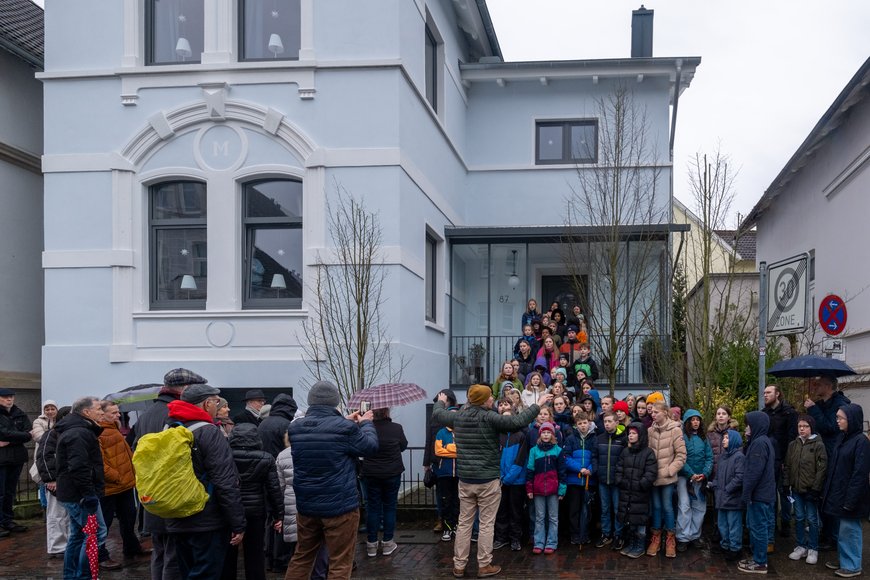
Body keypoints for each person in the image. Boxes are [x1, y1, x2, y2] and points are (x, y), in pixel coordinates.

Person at [432, 384, 550, 578]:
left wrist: (441, 402)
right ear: (483, 400)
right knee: (486, 524)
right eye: (489, 398)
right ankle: (484, 565)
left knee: (464, 523)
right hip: (487, 480)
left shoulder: (458, 417)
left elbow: (438, 415)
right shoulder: (490, 417)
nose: (492, 400)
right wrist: (538, 404)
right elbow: (518, 421)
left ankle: (459, 565)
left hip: (466, 479)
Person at [285, 381, 379, 580]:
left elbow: (321, 432)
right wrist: (367, 423)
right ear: (335, 402)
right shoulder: (345, 429)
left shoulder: (296, 428)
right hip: (340, 507)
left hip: (307, 506)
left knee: (302, 557)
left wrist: (345, 421)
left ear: (311, 402)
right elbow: (370, 447)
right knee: (339, 562)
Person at [162, 384, 246, 578]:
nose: (218, 406)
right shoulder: (209, 431)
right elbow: (225, 480)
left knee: (187, 572)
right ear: (207, 403)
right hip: (207, 519)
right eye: (216, 401)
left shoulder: (170, 427)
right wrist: (237, 523)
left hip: (177, 514)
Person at [132, 367, 208, 580]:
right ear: (185, 389)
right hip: (173, 494)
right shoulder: (176, 412)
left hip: (152, 493)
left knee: (159, 552)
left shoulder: (147, 414)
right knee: (174, 555)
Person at [221, 423, 283, 580]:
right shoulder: (266, 458)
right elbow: (273, 489)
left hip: (230, 509)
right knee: (255, 553)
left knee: (228, 553)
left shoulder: (224, 456)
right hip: (256, 511)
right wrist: (278, 515)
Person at [55, 396, 108, 579]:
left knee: (78, 535)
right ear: (86, 412)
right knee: (96, 534)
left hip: (74, 493)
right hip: (80, 495)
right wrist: (89, 494)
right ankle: (83, 576)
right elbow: (79, 467)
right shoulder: (79, 432)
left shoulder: (80, 429)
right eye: (99, 408)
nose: (102, 412)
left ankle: (72, 575)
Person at [821, 403, 869, 578]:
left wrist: (850, 500)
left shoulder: (861, 442)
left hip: (851, 497)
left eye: (841, 418)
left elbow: (859, 475)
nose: (837, 421)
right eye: (837, 418)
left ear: (852, 419)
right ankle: (844, 560)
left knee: (850, 530)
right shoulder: (843, 438)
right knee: (842, 531)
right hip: (839, 494)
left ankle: (852, 566)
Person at [98, 400, 145, 567]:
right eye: (113, 412)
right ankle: (101, 555)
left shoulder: (114, 428)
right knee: (105, 521)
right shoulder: (99, 432)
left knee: (129, 516)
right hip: (111, 486)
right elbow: (100, 463)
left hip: (124, 484)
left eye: (117, 411)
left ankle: (131, 547)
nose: (118, 415)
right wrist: (117, 476)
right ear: (102, 414)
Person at [361, 408, 408, 557]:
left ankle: (371, 545)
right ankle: (388, 543)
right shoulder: (396, 428)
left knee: (372, 507)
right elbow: (403, 446)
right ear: (387, 413)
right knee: (389, 507)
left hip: (370, 473)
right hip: (392, 472)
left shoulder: (366, 428)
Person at [783, 414, 826, 566]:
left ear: (811, 428)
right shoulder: (793, 445)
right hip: (796, 489)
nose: (802, 429)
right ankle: (801, 545)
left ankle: (813, 548)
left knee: (812, 519)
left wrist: (816, 488)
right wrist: (786, 483)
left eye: (805, 426)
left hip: (811, 490)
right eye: (800, 426)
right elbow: (787, 466)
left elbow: (822, 468)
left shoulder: (818, 445)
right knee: (799, 517)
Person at [646, 401, 687, 558]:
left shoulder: (675, 430)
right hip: (653, 477)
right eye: (652, 412)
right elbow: (648, 453)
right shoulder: (650, 430)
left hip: (668, 477)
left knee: (668, 507)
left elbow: (681, 455)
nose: (653, 414)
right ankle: (655, 538)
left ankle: (670, 539)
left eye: (656, 412)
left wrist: (670, 470)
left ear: (665, 412)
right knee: (655, 507)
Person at [738, 411, 776, 575]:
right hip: (763, 494)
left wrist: (746, 494)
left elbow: (754, 473)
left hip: (759, 495)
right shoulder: (762, 441)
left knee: (758, 528)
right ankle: (757, 558)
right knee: (758, 527)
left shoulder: (759, 444)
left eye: (749, 425)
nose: (746, 428)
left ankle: (760, 562)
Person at [615, 422, 657, 559]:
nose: (630, 436)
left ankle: (640, 545)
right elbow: (619, 468)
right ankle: (632, 543)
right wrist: (620, 481)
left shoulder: (648, 453)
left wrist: (641, 484)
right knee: (629, 519)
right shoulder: (625, 452)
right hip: (626, 491)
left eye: (634, 434)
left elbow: (651, 472)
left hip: (640, 493)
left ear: (641, 436)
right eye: (629, 434)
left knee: (640, 520)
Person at [35, 405, 72, 557]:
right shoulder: (52, 434)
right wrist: (51, 479)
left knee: (66, 514)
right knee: (56, 514)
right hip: (56, 480)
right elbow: (44, 457)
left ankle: (66, 544)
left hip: (66, 480)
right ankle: (57, 547)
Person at [762, 384, 798, 538]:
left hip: (783, 458)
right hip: (769, 459)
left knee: (784, 492)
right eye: (764, 393)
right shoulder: (764, 413)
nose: (765, 395)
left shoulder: (789, 413)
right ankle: (773, 524)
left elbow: (792, 437)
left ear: (777, 394)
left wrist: (787, 459)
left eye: (768, 392)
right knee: (771, 493)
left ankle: (786, 524)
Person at [526, 421, 566, 554]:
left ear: (553, 435)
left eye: (549, 432)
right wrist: (529, 488)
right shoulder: (534, 451)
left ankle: (551, 542)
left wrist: (562, 489)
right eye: (544, 432)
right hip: (537, 489)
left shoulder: (558, 451)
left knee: (553, 517)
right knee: (539, 517)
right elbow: (530, 471)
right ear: (540, 435)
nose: (546, 435)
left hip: (553, 490)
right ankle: (539, 542)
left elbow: (562, 472)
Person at [675, 409, 712, 552]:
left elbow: (709, 457)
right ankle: (683, 537)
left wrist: (705, 473)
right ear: (687, 422)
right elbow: (680, 457)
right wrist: (690, 473)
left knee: (699, 507)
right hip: (684, 478)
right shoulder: (682, 438)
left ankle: (695, 535)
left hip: (700, 478)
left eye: (698, 419)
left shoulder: (704, 438)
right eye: (693, 419)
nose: (695, 422)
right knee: (684, 506)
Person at [494, 405, 529, 552]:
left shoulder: (521, 436)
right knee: (501, 511)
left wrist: (507, 478)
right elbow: (495, 457)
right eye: (504, 417)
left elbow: (520, 461)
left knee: (516, 511)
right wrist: (500, 477)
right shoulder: (497, 436)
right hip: (500, 480)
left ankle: (515, 539)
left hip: (516, 481)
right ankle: (501, 538)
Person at [424, 389, 458, 533]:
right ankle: (441, 519)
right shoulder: (435, 418)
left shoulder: (455, 415)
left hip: (455, 464)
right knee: (441, 494)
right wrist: (426, 462)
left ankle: (454, 523)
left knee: (456, 495)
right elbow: (429, 439)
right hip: (438, 462)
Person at [0, 387, 33, 537]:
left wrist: (9, 440)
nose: (9, 399)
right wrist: (19, 436)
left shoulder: (19, 413)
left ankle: (8, 520)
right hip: (1, 458)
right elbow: (3, 433)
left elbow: (29, 433)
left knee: (10, 492)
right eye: (6, 397)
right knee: (0, 492)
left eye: (11, 397)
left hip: (16, 457)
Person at [709, 429, 745, 561]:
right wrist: (714, 485)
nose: (723, 440)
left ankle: (735, 548)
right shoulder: (723, 457)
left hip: (733, 498)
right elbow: (718, 476)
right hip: (721, 497)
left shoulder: (739, 457)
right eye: (723, 438)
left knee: (733, 525)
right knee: (722, 524)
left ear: (734, 440)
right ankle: (725, 545)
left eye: (726, 438)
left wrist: (727, 489)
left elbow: (740, 477)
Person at [563, 411, 597, 548]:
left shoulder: (594, 439)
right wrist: (580, 469)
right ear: (576, 426)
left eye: (585, 423)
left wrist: (589, 469)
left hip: (589, 480)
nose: (583, 426)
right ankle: (575, 534)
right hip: (574, 481)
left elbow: (596, 457)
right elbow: (566, 458)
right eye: (580, 424)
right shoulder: (571, 439)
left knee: (588, 509)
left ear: (589, 423)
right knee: (574, 509)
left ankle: (586, 533)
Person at [596, 410, 627, 550]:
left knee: (617, 508)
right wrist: (597, 469)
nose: (607, 424)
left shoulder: (623, 438)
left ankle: (618, 535)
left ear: (617, 422)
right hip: (603, 479)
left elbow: (625, 459)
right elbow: (594, 456)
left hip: (617, 481)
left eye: (610, 421)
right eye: (605, 422)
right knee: (604, 508)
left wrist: (621, 476)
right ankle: (606, 534)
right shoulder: (600, 438)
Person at [434, 405, 459, 541]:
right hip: (445, 473)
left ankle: (457, 527)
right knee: (446, 501)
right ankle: (447, 528)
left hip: (461, 473)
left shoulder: (463, 431)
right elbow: (438, 451)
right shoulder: (441, 433)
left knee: (458, 501)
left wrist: (448, 448)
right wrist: (455, 450)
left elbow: (464, 450)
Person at [258, 393, 299, 459]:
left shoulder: (262, 423)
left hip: (263, 463)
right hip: (280, 463)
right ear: (291, 409)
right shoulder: (287, 424)